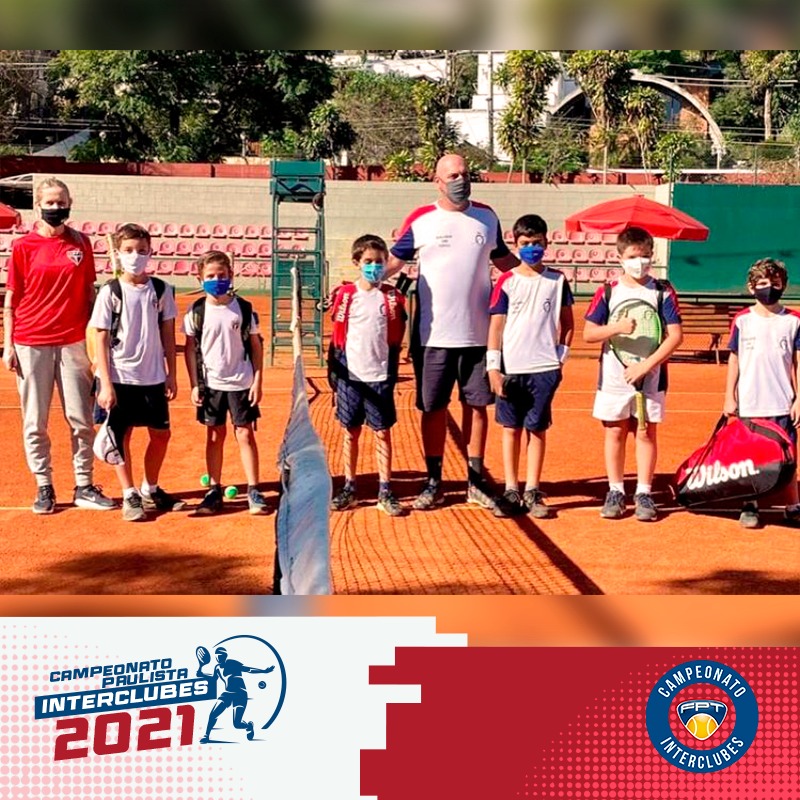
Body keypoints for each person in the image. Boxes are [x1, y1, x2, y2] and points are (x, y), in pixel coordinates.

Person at [386, 153, 519, 511]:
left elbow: (504, 261)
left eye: (465, 174)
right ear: (438, 181)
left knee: (477, 406)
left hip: (479, 336)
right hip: (432, 337)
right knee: (433, 409)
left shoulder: (486, 217)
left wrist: (536, 277)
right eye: (454, 175)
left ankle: (475, 482)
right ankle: (434, 482)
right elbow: (394, 261)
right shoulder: (421, 219)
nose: (462, 180)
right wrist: (363, 281)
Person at [2, 177, 115, 514]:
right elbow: (12, 299)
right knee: (35, 420)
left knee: (80, 418)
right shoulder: (23, 247)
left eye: (60, 202)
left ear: (70, 203)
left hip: (73, 341)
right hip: (31, 341)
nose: (55, 207)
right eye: (49, 202)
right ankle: (44, 485)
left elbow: (90, 294)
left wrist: (96, 341)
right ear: (38, 205)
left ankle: (84, 484)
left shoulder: (81, 243)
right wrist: (8, 344)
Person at [583, 226, 683, 522]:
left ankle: (644, 492)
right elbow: (589, 333)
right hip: (614, 377)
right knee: (614, 431)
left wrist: (646, 365)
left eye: (645, 256)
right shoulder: (608, 291)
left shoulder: (663, 291)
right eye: (633, 256)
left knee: (645, 432)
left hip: (651, 377)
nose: (640, 262)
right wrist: (617, 328)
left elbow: (676, 336)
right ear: (620, 258)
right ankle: (615, 490)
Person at [90, 223, 183, 521]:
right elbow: (100, 336)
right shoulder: (110, 291)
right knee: (121, 436)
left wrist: (171, 373)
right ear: (118, 253)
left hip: (153, 376)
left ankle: (149, 488)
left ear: (150, 252)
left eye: (141, 250)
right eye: (129, 250)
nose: (135, 256)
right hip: (120, 376)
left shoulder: (161, 289)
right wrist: (106, 384)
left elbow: (168, 332)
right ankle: (129, 493)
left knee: (161, 435)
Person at [486, 214, 574, 518]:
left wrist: (559, 359)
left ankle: (533, 490)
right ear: (516, 244)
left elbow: (567, 323)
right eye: (525, 243)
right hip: (511, 369)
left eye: (536, 242)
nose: (531, 248)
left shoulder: (557, 280)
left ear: (546, 243)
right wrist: (493, 368)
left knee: (536, 430)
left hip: (544, 370)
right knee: (511, 429)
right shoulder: (506, 281)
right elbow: (496, 327)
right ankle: (511, 488)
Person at [184, 250, 268, 516]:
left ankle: (253, 489)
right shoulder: (196, 312)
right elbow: (190, 349)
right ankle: (213, 490)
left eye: (221, 275)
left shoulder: (243, 309)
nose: (216, 280)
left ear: (231, 275)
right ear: (200, 279)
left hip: (241, 382)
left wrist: (257, 380)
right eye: (210, 276)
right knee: (214, 435)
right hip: (211, 385)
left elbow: (256, 346)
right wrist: (194, 384)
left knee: (245, 433)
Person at [328, 234, 407, 517]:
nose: (375, 266)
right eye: (369, 261)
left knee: (382, 433)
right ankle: (350, 487)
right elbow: (337, 339)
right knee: (350, 432)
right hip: (350, 376)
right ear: (357, 263)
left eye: (380, 261)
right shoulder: (346, 296)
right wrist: (335, 378)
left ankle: (385, 489)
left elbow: (397, 336)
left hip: (379, 375)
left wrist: (392, 371)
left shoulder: (393, 297)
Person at [723, 258, 800, 529]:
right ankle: (750, 503)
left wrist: (799, 399)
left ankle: (793, 505)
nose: (770, 288)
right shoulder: (742, 320)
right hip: (750, 404)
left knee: (788, 457)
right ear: (751, 286)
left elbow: (798, 362)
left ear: (784, 286)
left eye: (775, 283)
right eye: (764, 283)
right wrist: (729, 396)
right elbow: (734, 359)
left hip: (783, 403)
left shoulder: (793, 320)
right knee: (750, 457)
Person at [197, 645, 275, 744]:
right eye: (217, 655)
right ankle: (206, 736)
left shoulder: (232, 663)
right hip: (227, 694)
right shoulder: (217, 668)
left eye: (221, 655)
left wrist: (264, 671)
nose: (219, 657)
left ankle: (249, 726)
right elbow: (213, 679)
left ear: (225, 656)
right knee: (213, 714)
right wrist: (202, 674)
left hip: (240, 694)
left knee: (237, 724)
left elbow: (248, 669)